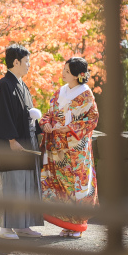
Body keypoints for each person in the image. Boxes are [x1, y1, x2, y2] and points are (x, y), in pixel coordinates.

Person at [38, 57, 99, 238]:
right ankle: (66, 224)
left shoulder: (86, 94)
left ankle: (78, 224)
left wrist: (70, 128)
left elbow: (92, 118)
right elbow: (49, 113)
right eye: (64, 69)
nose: (63, 73)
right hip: (57, 146)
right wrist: (46, 123)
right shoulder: (60, 91)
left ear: (77, 74)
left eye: (67, 71)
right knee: (60, 185)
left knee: (76, 185)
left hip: (76, 148)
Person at [0, 44, 44, 239]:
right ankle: (6, 228)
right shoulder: (4, 85)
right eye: (26, 61)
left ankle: (23, 226)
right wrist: (12, 140)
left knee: (26, 186)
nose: (29, 65)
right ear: (16, 62)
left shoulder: (22, 85)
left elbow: (26, 115)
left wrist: (38, 123)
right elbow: (3, 116)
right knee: (12, 185)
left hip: (27, 142)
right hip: (12, 145)